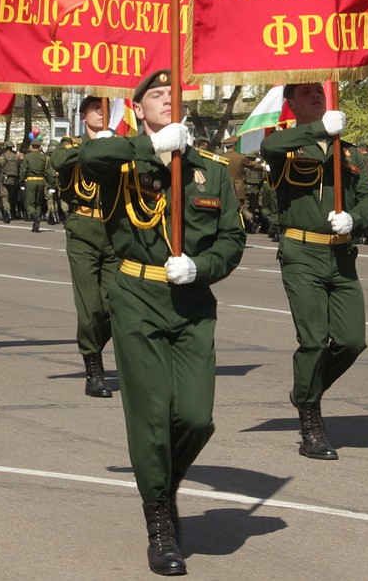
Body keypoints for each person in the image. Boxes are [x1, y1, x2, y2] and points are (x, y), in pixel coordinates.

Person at [79, 69, 245, 576]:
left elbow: (232, 241)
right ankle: (160, 521)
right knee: (152, 416)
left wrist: (203, 267)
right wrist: (148, 149)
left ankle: (162, 481)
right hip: (137, 297)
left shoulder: (209, 170)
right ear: (139, 108)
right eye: (157, 95)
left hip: (192, 302)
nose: (168, 101)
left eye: (174, 95)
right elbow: (88, 158)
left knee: (196, 417)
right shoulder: (123, 159)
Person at [262, 82, 368, 462]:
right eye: (307, 92)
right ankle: (311, 421)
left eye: (320, 91)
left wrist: (356, 218)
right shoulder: (286, 145)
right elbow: (266, 149)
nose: (316, 95)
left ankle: (304, 391)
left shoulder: (348, 152)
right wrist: (319, 129)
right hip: (302, 252)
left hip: (342, 255)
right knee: (314, 341)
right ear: (290, 103)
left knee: (351, 341)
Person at [50, 96, 119, 398]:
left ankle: (93, 343)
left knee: (117, 304)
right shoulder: (70, 144)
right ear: (82, 115)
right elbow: (59, 161)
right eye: (94, 109)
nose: (100, 114)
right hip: (83, 229)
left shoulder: (119, 144)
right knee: (90, 308)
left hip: (116, 231)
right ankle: (94, 369)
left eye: (104, 108)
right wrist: (96, 147)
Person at [21, 137, 53, 232]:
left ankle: (35, 216)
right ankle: (36, 222)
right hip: (41, 181)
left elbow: (24, 170)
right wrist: (51, 184)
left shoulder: (27, 157)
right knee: (38, 203)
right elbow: (48, 172)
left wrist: (21, 181)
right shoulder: (45, 157)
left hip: (31, 181)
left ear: (31, 146)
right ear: (40, 147)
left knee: (30, 203)